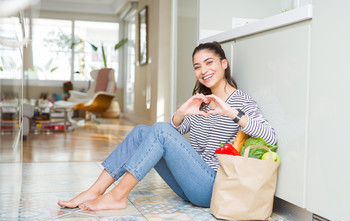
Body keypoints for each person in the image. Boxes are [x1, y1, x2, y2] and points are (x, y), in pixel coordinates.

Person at [58, 41, 277, 211]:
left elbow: (270, 137)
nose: (203, 71)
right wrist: (182, 112)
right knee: (143, 131)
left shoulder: (241, 101)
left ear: (224, 63)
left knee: (159, 130)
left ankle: (117, 197)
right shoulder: (203, 101)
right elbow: (168, 133)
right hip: (189, 184)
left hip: (213, 186)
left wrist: (231, 113)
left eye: (209, 62)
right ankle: (94, 190)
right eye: (197, 67)